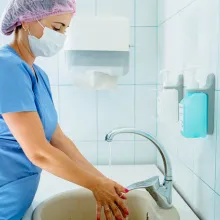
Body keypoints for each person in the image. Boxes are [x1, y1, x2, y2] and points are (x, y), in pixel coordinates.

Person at [0, 1, 130, 219]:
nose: (61, 36)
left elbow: (58, 139)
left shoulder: (38, 75)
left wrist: (102, 181)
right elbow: (39, 152)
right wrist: (95, 185)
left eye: (65, 30)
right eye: (57, 27)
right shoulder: (6, 67)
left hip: (18, 200)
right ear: (26, 21)